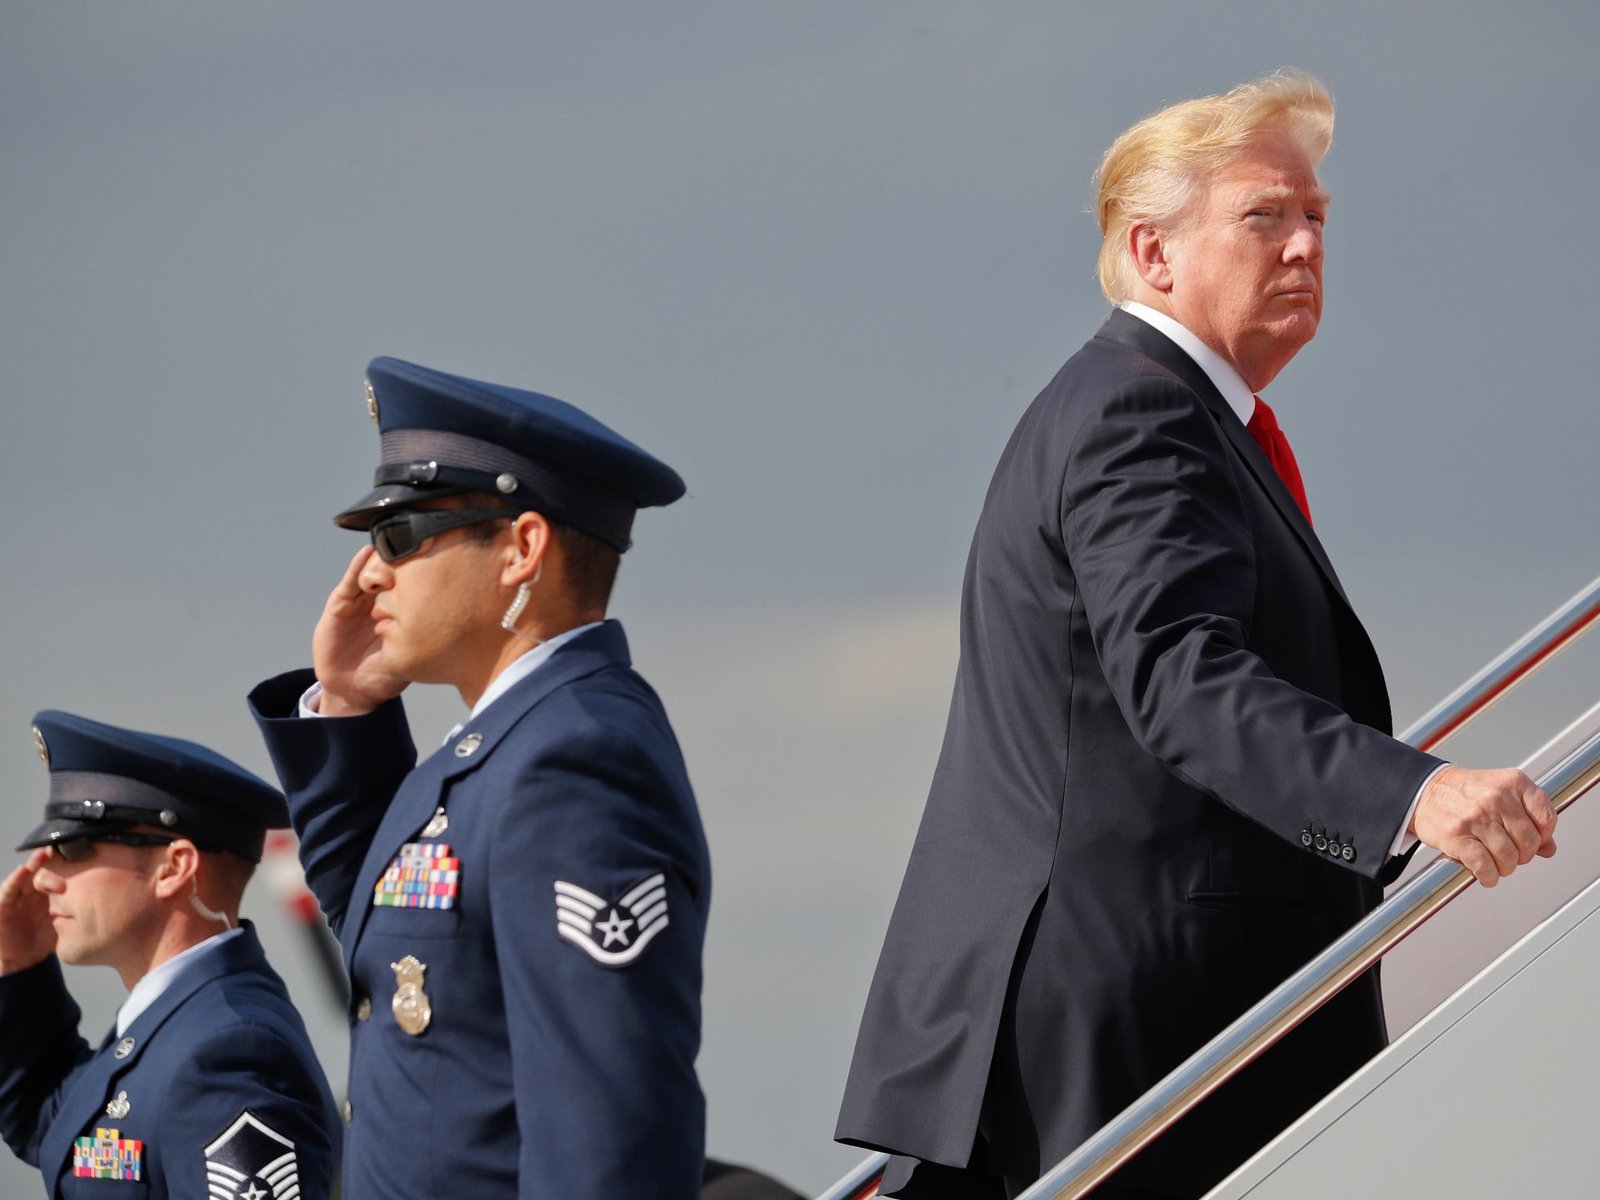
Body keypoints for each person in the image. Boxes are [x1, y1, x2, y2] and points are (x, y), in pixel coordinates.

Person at [835, 71, 1558, 1199]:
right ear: (1152, 253)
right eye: (1263, 217)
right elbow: (1178, 673)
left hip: (1148, 1006)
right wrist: (1407, 795)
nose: (1304, 246)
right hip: (1138, 1020)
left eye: (1315, 218)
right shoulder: (1141, 410)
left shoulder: (1171, 413)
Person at [248, 355, 710, 1199]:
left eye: (402, 534)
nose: (371, 572)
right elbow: (375, 943)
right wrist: (349, 706)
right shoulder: (503, 746)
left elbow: (605, 1128)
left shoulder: (575, 756)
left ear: (521, 549)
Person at [0, 710, 340, 1199]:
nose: (42, 877)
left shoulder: (229, 1051)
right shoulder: (173, 1021)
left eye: (73, 850)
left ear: (174, 867)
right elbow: (48, 1123)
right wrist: (21, 967)